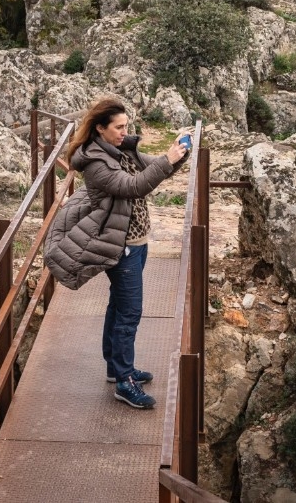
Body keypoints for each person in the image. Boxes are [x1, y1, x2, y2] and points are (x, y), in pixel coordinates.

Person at [44, 96, 188, 410]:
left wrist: (177, 153)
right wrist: (167, 159)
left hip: (137, 240)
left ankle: (116, 368)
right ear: (100, 128)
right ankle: (125, 382)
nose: (124, 132)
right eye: (118, 127)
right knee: (129, 312)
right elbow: (133, 186)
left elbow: (155, 169)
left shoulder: (121, 148)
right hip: (121, 245)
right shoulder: (96, 162)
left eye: (126, 126)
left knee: (119, 305)